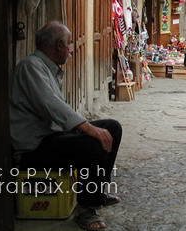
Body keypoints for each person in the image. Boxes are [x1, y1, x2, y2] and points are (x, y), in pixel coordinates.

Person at [9, 21, 122, 231]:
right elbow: (51, 106)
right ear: (58, 46)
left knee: (112, 127)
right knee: (91, 143)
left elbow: (58, 109)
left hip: (50, 138)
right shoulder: (31, 67)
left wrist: (88, 127)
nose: (71, 49)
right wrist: (88, 128)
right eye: (69, 44)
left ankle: (97, 193)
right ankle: (86, 209)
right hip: (33, 149)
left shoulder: (46, 68)